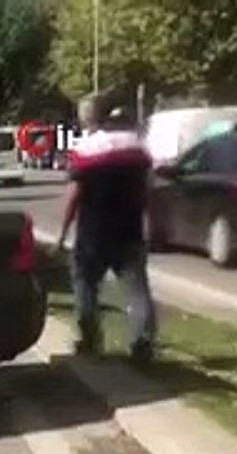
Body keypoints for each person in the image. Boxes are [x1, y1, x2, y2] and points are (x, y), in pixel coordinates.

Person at [58, 93, 156, 364]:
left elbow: (74, 196)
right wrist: (151, 222)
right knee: (138, 291)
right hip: (129, 230)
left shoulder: (85, 150)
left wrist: (62, 233)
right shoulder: (137, 148)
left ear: (87, 117)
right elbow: (147, 190)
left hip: (93, 234)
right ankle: (142, 344)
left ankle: (90, 340)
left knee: (85, 287)